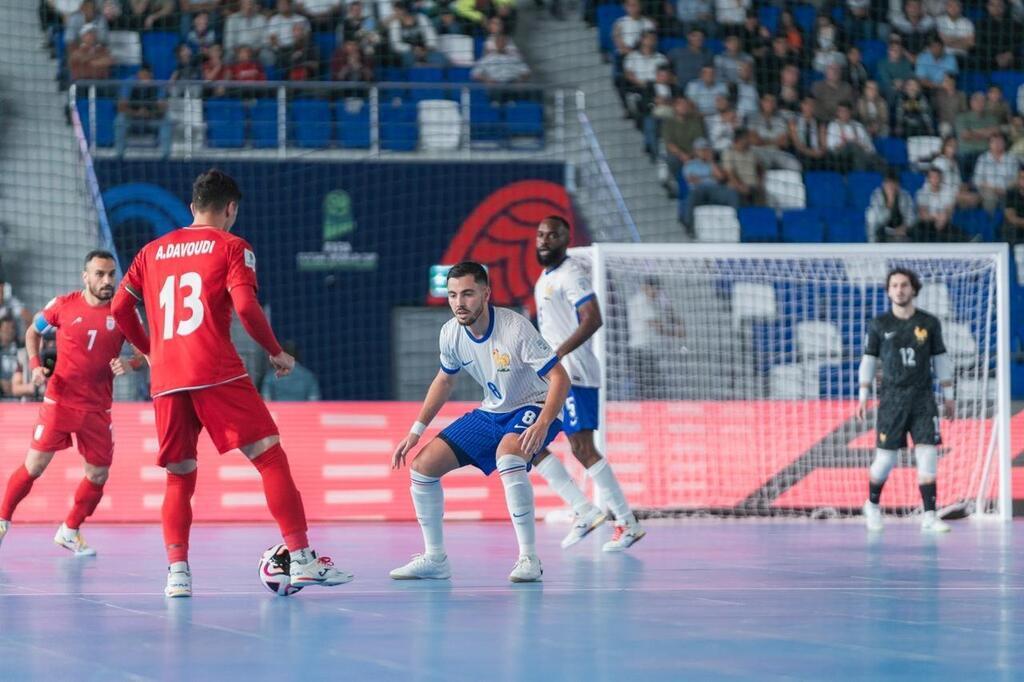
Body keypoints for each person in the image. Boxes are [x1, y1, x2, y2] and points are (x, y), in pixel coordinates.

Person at [110, 169, 352, 598]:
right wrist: (276, 351)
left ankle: (178, 574)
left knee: (179, 475)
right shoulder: (232, 246)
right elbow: (245, 305)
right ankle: (301, 558)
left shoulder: (150, 251)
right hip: (214, 369)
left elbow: (119, 307)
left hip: (167, 379)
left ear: (191, 207)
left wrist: (151, 350)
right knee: (269, 456)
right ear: (231, 209)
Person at [389, 262, 571, 582]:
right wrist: (415, 431)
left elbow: (559, 377)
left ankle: (529, 558)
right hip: (491, 411)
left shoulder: (514, 328)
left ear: (486, 294)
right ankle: (435, 559)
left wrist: (543, 423)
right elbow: (445, 381)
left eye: (468, 294)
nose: (459, 303)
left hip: (535, 404)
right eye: (453, 295)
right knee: (422, 467)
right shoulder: (449, 333)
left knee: (509, 455)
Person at [0, 251, 142, 555]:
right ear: (85, 277)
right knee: (34, 465)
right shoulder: (63, 305)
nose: (107, 281)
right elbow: (31, 332)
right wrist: (36, 364)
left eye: (111, 274)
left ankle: (70, 530)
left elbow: (148, 350)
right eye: (100, 274)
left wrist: (131, 363)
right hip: (59, 402)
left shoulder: (124, 312)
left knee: (98, 475)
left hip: (97, 409)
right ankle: (1, 521)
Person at [530, 217, 646, 551]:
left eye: (553, 235)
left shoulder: (571, 275)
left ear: (566, 239)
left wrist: (558, 353)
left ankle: (626, 522)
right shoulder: (545, 277)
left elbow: (593, 318)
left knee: (582, 447)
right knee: (526, 440)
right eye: (540, 235)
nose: (544, 240)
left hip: (573, 372)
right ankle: (583, 510)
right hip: (552, 374)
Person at [857, 268, 954, 533]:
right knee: (886, 461)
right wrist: (863, 395)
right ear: (888, 291)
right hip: (892, 399)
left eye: (904, 285)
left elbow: (941, 359)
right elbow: (868, 360)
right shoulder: (879, 324)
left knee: (928, 454)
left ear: (913, 289)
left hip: (923, 398)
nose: (899, 290)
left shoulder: (929, 322)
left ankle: (930, 515)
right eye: (894, 285)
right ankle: (873, 504)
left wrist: (949, 395)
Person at [915, 166, 968, 240]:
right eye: (932, 177)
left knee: (958, 232)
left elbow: (949, 211)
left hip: (944, 222)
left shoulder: (948, 192)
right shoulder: (921, 192)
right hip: (927, 224)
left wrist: (943, 218)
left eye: (937, 177)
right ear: (928, 179)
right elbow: (923, 214)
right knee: (918, 229)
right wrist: (936, 218)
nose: (935, 179)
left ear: (941, 179)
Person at [867, 170, 916, 242]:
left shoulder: (905, 195)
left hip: (901, 229)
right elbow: (879, 220)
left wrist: (904, 227)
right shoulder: (877, 195)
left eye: (893, 183)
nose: (891, 186)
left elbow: (911, 216)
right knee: (871, 216)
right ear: (883, 184)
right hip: (884, 229)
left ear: (898, 185)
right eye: (888, 183)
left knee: (916, 230)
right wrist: (890, 204)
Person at [1002, 167, 1024, 242]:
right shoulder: (1011, 193)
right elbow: (1010, 217)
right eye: (1022, 178)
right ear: (1017, 179)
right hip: (1016, 230)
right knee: (1009, 228)